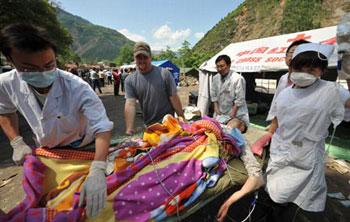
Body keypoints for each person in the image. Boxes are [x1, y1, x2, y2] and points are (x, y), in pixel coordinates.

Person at [0, 23, 113, 218]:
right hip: (48, 153)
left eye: (49, 65)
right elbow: (5, 111)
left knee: (90, 202)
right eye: (30, 68)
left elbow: (101, 126)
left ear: (55, 58)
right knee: (51, 200)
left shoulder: (77, 87)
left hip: (83, 148)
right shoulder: (6, 84)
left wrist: (98, 168)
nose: (43, 73)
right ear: (11, 60)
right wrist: (16, 141)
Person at [251, 43, 344, 222]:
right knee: (273, 193)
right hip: (281, 152)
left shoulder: (330, 91)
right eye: (300, 67)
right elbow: (278, 115)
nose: (305, 72)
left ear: (322, 71)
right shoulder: (285, 93)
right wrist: (268, 134)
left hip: (306, 159)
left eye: (312, 68)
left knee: (295, 204)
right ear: (292, 67)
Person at [124, 41, 184, 135]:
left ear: (150, 57)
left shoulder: (164, 74)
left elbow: (174, 97)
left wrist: (181, 117)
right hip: (150, 126)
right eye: (139, 57)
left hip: (168, 124)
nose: (142, 60)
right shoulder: (130, 80)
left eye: (145, 57)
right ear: (134, 58)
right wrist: (129, 128)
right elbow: (130, 104)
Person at [266, 40, 310, 134]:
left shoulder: (312, 82)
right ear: (285, 57)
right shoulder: (283, 78)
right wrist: (271, 129)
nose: (294, 55)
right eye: (292, 52)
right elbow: (276, 102)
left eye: (299, 53)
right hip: (279, 128)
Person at [210, 55, 249, 133]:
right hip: (220, 114)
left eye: (222, 66)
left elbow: (239, 99)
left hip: (237, 114)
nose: (219, 69)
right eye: (217, 67)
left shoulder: (237, 79)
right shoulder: (215, 78)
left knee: (228, 130)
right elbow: (213, 95)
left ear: (229, 65)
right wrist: (217, 109)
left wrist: (232, 115)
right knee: (212, 129)